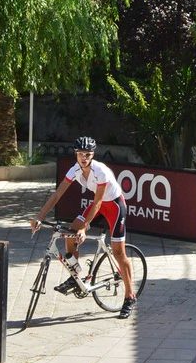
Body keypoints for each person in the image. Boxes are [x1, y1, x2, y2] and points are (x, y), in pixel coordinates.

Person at [30, 136, 138, 319]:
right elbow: (57, 194)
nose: (84, 158)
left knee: (118, 252)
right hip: (98, 203)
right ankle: (76, 276)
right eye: (81, 154)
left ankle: (129, 296)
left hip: (114, 205)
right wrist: (39, 217)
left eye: (87, 155)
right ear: (76, 154)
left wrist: (84, 228)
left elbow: (97, 203)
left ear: (92, 155)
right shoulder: (75, 170)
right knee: (70, 234)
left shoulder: (100, 171)